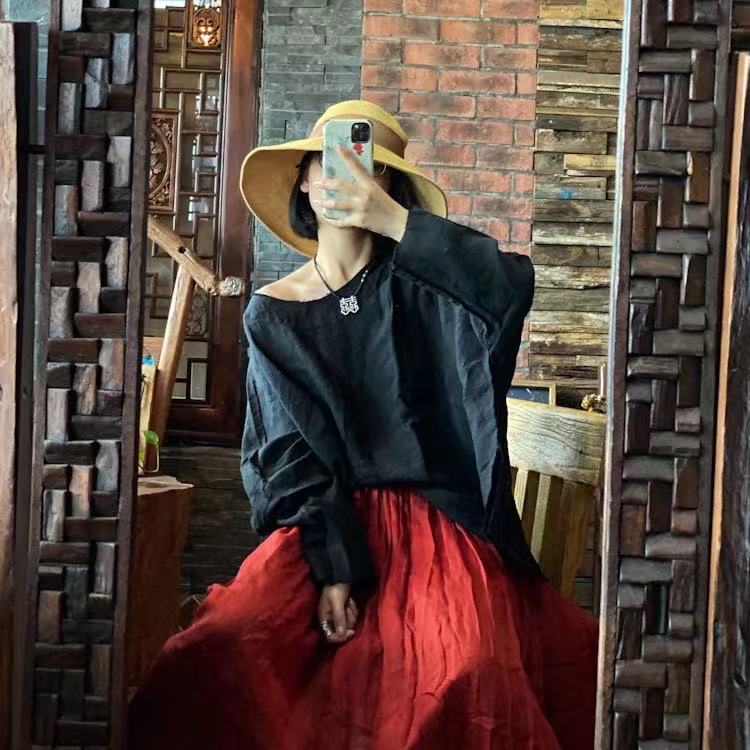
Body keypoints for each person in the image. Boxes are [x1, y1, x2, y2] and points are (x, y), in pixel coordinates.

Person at [126, 100, 598, 750]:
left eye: (370, 168)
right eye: (331, 161)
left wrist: (395, 223)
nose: (345, 177)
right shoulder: (272, 314)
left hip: (438, 527)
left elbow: (508, 287)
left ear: (390, 188)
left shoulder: (425, 289)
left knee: (464, 668)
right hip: (323, 523)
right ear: (302, 179)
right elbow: (284, 454)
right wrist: (336, 566)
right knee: (216, 649)